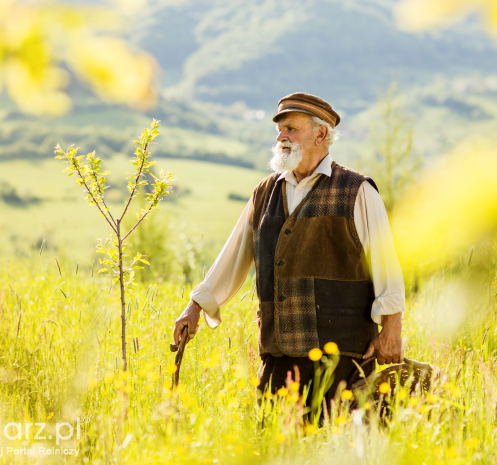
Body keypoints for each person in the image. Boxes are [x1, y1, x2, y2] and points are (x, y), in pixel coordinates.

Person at [172, 92, 406, 407]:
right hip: (278, 353)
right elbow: (233, 256)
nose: (282, 136)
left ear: (321, 134)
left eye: (291, 129)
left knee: (336, 447)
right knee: (272, 446)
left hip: (342, 355)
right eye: (279, 129)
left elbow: (385, 264)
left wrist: (391, 325)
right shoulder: (264, 192)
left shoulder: (357, 190)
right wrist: (196, 306)